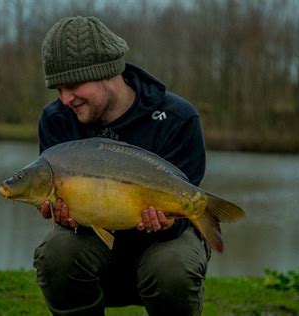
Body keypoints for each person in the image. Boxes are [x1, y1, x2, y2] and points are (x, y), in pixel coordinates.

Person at [33, 16, 210, 316]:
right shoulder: (56, 120)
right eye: (57, 90)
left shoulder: (178, 118)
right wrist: (63, 215)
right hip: (93, 244)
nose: (65, 100)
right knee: (55, 254)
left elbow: (183, 213)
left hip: (163, 247)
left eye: (73, 85)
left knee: (172, 268)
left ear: (106, 72)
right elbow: (61, 207)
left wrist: (171, 221)